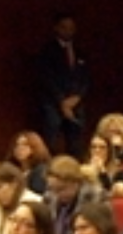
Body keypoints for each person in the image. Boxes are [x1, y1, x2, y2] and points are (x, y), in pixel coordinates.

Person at [37, 11, 90, 156]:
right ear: (56, 28)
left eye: (71, 27)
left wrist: (78, 96)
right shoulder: (47, 51)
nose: (68, 31)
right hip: (53, 103)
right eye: (64, 27)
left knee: (76, 143)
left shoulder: (80, 51)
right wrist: (62, 101)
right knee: (51, 141)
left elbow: (86, 77)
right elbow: (46, 78)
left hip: (76, 103)